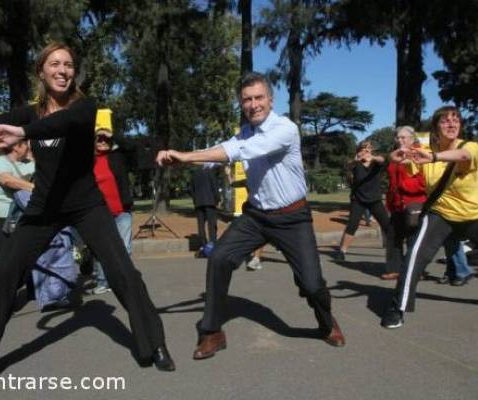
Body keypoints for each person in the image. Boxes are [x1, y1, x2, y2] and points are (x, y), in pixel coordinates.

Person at [0, 42, 174, 377]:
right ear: (41, 71)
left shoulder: (84, 107)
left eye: (68, 64)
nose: (62, 70)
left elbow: (62, 124)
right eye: (54, 64)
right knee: (2, 275)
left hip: (86, 204)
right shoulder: (30, 112)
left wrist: (23, 131)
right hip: (44, 206)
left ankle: (153, 343)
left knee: (122, 271)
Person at [157, 72, 345, 360]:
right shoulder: (244, 132)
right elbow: (229, 149)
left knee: (311, 284)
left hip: (292, 218)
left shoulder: (285, 129)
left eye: (259, 98)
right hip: (256, 217)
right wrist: (184, 159)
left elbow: (243, 151)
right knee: (219, 258)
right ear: (241, 103)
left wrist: (186, 155)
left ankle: (325, 320)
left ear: (270, 100)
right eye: (247, 99)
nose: (253, 104)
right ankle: (212, 331)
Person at [381, 106, 478, 329]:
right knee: (414, 257)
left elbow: (464, 156)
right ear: (436, 127)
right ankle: (398, 308)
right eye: (445, 121)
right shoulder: (424, 148)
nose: (452, 124)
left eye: (455, 120)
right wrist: (393, 158)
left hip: (474, 215)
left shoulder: (469, 146)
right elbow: (403, 160)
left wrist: (433, 157)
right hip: (441, 213)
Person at [87, 123, 135, 295]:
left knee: (124, 248)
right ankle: (102, 281)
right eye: (98, 140)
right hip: (99, 213)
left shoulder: (117, 156)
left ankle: (127, 280)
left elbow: (131, 147)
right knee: (101, 248)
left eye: (105, 140)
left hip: (122, 211)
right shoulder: (87, 161)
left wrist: (110, 133)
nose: (101, 142)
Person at [383, 126, 426, 280]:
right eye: (398, 137)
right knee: (393, 236)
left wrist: (403, 186)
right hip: (396, 204)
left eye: (403, 137)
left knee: (413, 238)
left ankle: (415, 271)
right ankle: (394, 269)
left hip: (414, 203)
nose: (399, 140)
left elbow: (424, 182)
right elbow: (391, 180)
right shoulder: (397, 155)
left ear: (413, 139)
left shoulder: (420, 154)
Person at [335, 140, 390, 260]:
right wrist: (356, 160)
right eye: (363, 149)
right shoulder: (355, 164)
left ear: (372, 150)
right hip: (358, 200)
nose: (365, 151)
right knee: (352, 225)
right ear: (358, 151)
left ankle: (392, 250)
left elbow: (382, 159)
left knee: (387, 225)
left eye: (368, 149)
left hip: (374, 199)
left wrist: (373, 158)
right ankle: (342, 251)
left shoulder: (376, 163)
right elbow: (348, 166)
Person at [0, 140, 34, 266]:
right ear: (16, 147)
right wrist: (34, 188)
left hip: (22, 214)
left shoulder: (27, 163)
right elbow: (7, 180)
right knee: (5, 256)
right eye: (25, 144)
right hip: (2, 216)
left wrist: (32, 155)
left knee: (25, 254)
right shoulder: (0, 162)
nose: (28, 146)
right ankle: (0, 285)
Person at [191, 165, 219, 258]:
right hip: (210, 201)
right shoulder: (210, 171)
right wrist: (217, 199)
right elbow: (214, 186)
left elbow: (192, 189)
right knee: (212, 225)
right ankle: (213, 244)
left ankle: (203, 245)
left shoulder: (194, 173)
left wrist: (195, 201)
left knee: (201, 226)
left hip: (199, 202)